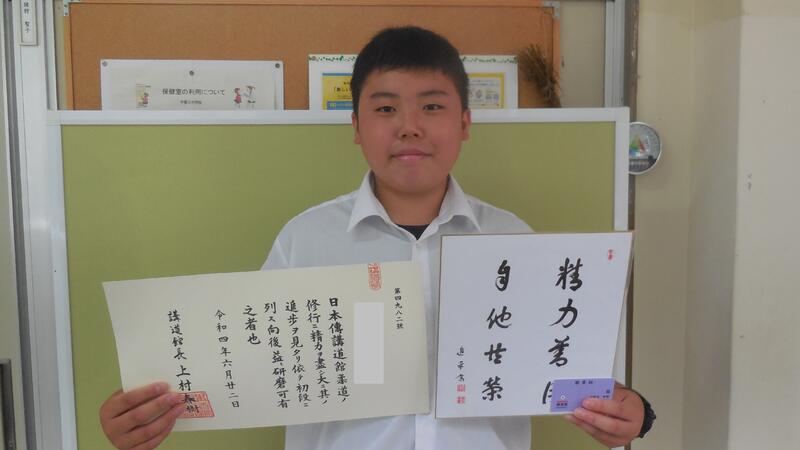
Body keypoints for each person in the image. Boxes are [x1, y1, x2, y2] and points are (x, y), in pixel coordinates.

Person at [100, 26, 654, 450]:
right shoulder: (305, 240)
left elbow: (563, 371)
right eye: (386, 108)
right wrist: (148, 410)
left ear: (464, 122)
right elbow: (244, 366)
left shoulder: (513, 239)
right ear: (356, 126)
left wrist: (632, 413)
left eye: (432, 106)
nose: (409, 126)